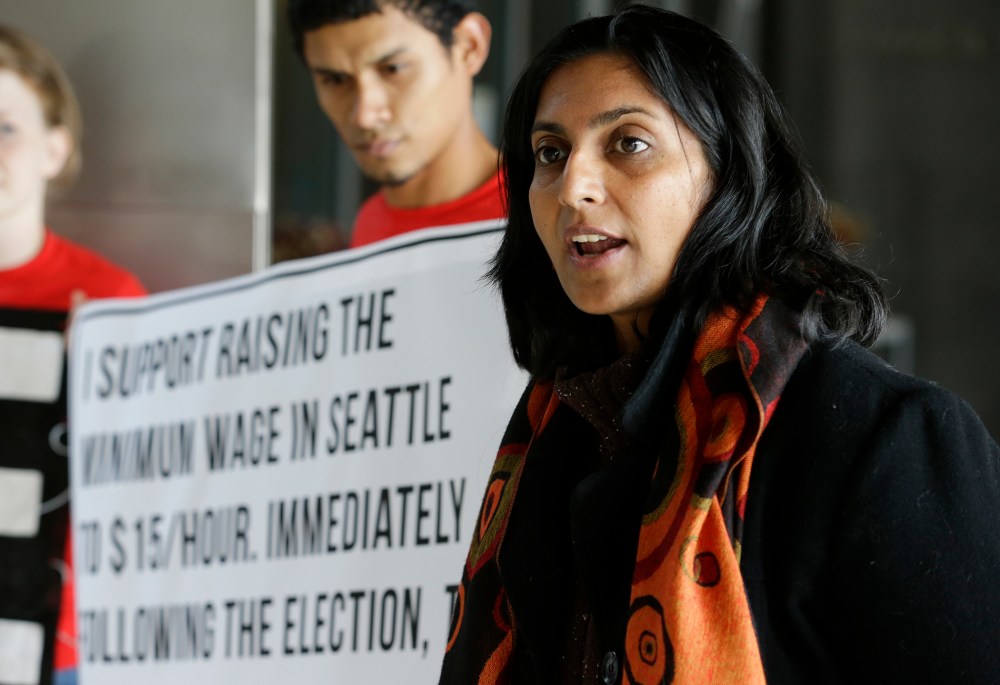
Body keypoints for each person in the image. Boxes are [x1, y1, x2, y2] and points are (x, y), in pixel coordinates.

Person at [439, 5, 1000, 684]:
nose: (573, 188)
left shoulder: (881, 437)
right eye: (550, 153)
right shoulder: (554, 432)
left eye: (629, 144)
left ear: (727, 173)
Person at [0, 25, 145, 685]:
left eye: (6, 128)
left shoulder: (109, 298)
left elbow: (147, 482)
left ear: (55, 149)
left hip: (57, 637)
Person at [286, 0, 502, 248]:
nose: (364, 115)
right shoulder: (371, 220)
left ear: (468, 47)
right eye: (335, 80)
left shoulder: (543, 216)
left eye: (393, 68)